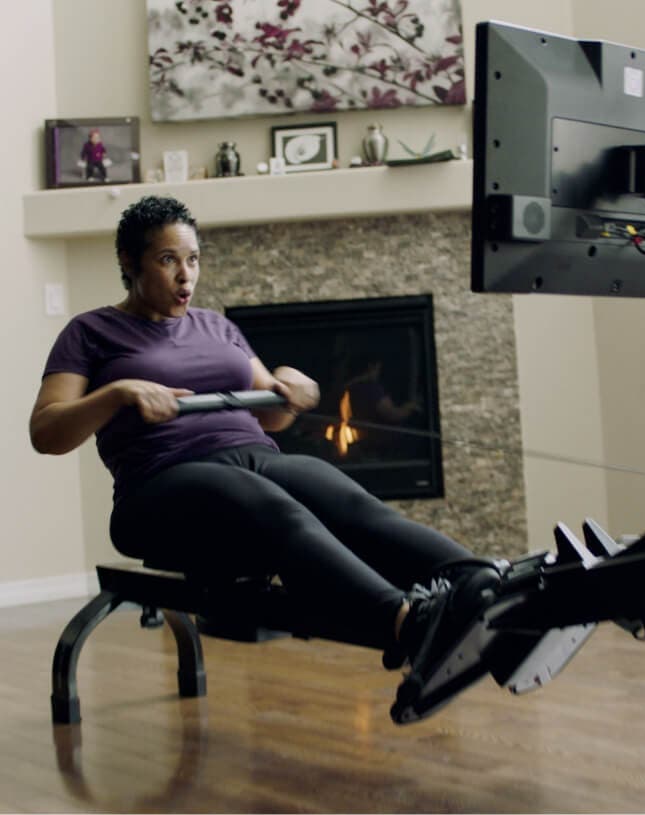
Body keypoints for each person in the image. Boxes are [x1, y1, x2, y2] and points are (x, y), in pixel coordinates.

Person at [29, 195, 506, 722]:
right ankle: (409, 624)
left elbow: (271, 413)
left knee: (343, 496)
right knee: (269, 505)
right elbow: (46, 431)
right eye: (167, 260)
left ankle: (487, 587)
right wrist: (117, 393)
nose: (185, 275)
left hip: (252, 455)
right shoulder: (91, 334)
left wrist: (289, 387)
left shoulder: (216, 327)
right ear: (128, 261)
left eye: (193, 259)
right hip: (158, 486)